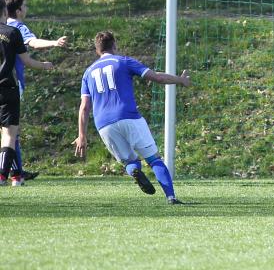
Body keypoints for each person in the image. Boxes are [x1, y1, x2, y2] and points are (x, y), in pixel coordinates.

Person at [73, 31, 191, 204]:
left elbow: (84, 107)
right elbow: (156, 77)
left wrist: (81, 136)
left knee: (129, 161)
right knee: (153, 159)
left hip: (104, 125)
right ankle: (171, 197)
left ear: (97, 50)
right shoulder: (124, 61)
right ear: (114, 45)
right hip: (128, 116)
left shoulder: (88, 73)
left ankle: (135, 171)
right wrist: (179, 80)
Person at [4, 0, 68, 181]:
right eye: (25, 5)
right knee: (11, 130)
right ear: (18, 10)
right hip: (11, 85)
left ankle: (13, 170)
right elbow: (33, 43)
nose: (27, 8)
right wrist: (54, 43)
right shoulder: (16, 28)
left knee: (7, 131)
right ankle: (15, 172)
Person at [0, 0, 54, 186]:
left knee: (6, 134)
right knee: (10, 134)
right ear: (6, 12)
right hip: (8, 86)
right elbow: (27, 60)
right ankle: (6, 175)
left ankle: (16, 174)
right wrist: (45, 65)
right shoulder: (12, 32)